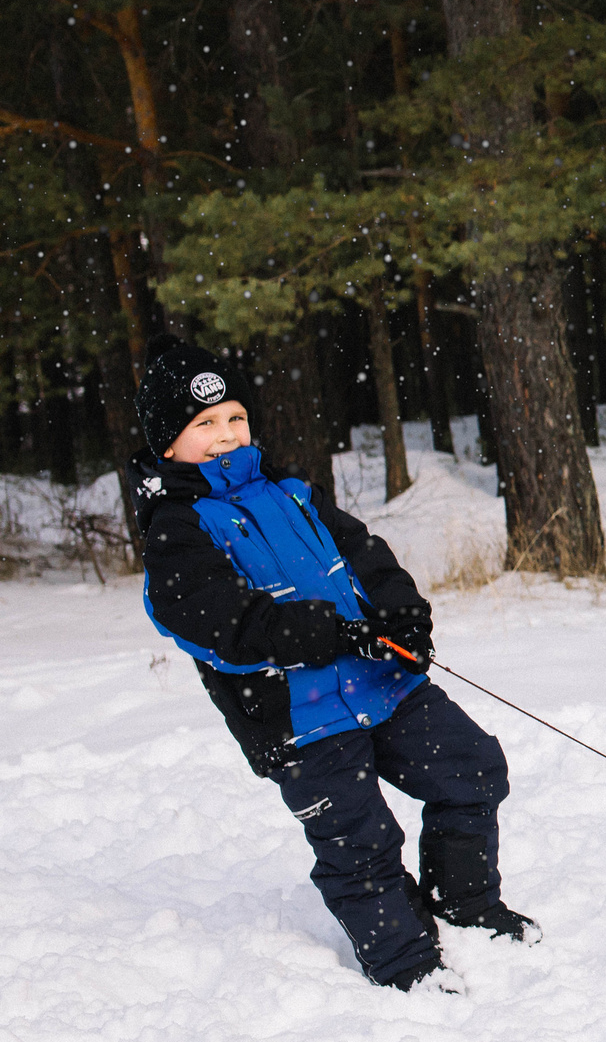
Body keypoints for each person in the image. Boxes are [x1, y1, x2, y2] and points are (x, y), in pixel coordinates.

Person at [132, 337, 532, 995]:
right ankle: (408, 963)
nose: (226, 435)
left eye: (234, 417)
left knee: (472, 767)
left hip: (385, 684)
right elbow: (222, 623)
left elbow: (366, 556)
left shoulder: (293, 492)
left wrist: (403, 615)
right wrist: (319, 628)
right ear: (167, 444)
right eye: (203, 425)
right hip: (300, 719)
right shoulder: (177, 531)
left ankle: (468, 908)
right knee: (361, 841)